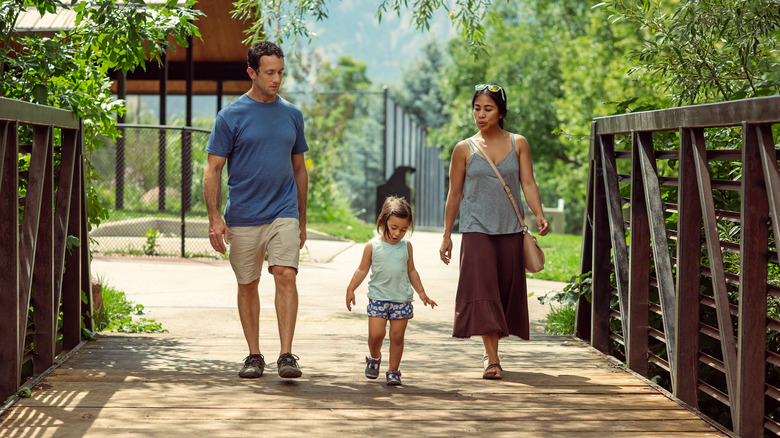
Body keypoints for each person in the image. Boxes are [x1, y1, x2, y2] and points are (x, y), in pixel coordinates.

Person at [203, 40, 309, 379]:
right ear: (252, 72)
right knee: (247, 283)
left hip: (283, 211)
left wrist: (301, 218)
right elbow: (212, 169)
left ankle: (287, 355)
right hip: (244, 215)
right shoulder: (230, 116)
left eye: (280, 72)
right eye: (269, 73)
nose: (277, 79)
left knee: (285, 275)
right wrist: (214, 218)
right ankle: (253, 355)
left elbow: (300, 170)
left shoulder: (292, 115)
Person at [439, 84, 550, 380]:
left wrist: (538, 214)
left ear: (501, 112)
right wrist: (447, 234)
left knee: (503, 292)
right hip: (476, 230)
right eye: (477, 108)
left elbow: (528, 182)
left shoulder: (519, 143)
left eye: (488, 109)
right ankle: (492, 358)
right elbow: (454, 194)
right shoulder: (464, 148)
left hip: (511, 229)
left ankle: (491, 350)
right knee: (484, 291)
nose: (480, 114)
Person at [346, 196, 438, 386]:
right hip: (378, 299)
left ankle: (393, 371)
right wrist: (351, 288)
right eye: (394, 227)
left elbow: (411, 270)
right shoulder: (373, 246)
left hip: (402, 300)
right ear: (383, 222)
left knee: (397, 337)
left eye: (403, 230)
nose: (398, 233)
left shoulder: (407, 247)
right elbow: (361, 270)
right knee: (376, 335)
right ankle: (374, 357)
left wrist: (422, 293)